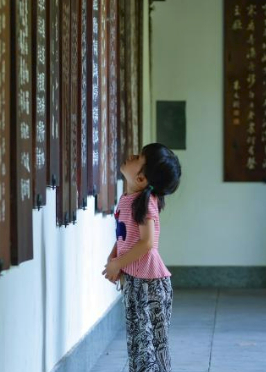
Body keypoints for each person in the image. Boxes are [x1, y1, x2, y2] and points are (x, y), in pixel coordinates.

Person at [103, 143, 182, 372]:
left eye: (138, 157)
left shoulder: (144, 202)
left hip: (150, 285)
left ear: (141, 179)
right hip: (137, 280)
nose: (131, 156)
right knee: (138, 341)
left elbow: (147, 242)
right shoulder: (128, 199)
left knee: (149, 345)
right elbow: (124, 237)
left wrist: (118, 262)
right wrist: (114, 260)